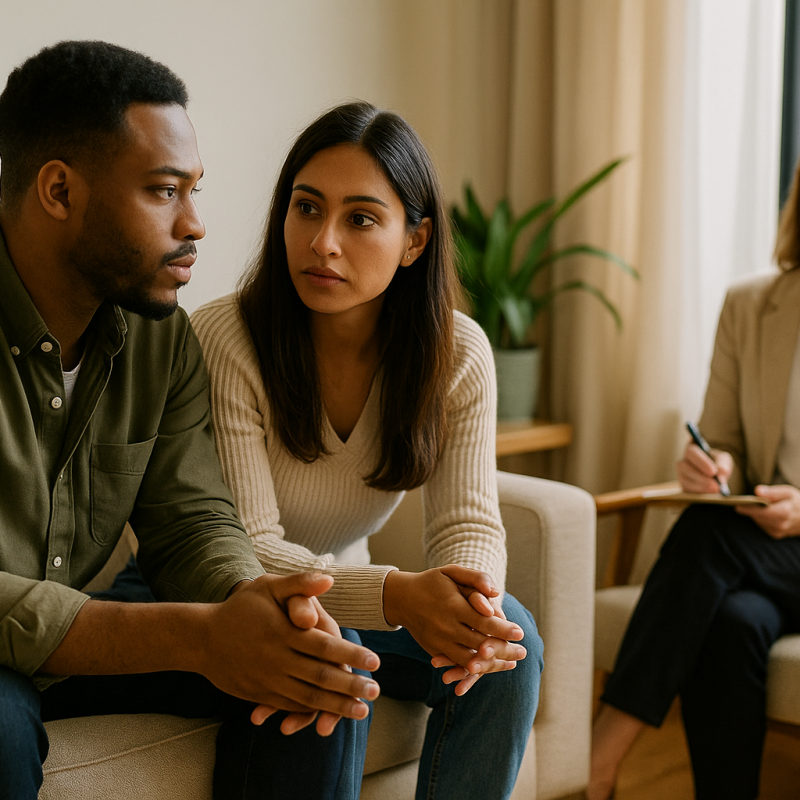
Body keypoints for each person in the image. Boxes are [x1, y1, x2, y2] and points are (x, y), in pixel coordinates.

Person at [0, 40, 381, 800]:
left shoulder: (157, 331)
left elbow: (192, 519)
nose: (197, 224)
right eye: (163, 191)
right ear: (58, 191)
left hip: (82, 637)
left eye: (194, 190)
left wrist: (253, 606)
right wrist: (198, 636)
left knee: (310, 671)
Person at [190, 100, 544, 799]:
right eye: (307, 208)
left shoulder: (457, 352)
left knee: (514, 647)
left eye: (359, 218)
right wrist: (398, 594)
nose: (323, 242)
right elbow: (248, 545)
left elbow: (469, 524)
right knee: (332, 657)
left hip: (348, 596)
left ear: (414, 241)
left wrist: (473, 610)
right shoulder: (225, 338)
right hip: (222, 594)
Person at [588, 161, 800, 800]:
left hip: (764, 540)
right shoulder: (752, 306)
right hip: (761, 551)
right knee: (732, 621)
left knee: (708, 535)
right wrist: (715, 467)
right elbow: (723, 437)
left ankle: (598, 761)